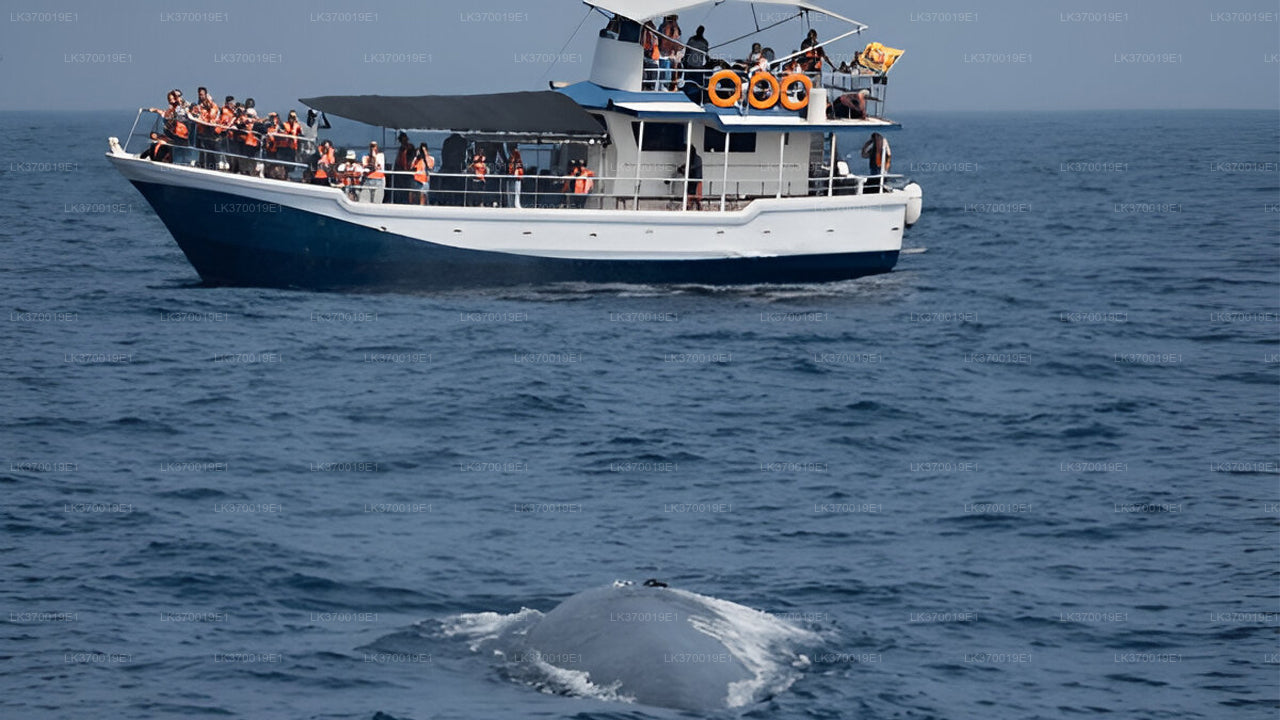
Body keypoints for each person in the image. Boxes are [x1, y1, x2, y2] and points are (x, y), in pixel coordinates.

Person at [658, 14, 682, 91]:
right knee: (667, 71)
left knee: (670, 70)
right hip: (666, 54)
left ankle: (669, 85)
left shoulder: (665, 26)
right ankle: (666, 85)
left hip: (669, 53)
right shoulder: (668, 27)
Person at [392, 132, 414, 203]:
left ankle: (407, 202)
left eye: (405, 140)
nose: (404, 142)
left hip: (407, 172)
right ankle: (400, 201)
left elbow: (412, 158)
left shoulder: (410, 147)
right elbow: (399, 161)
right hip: (401, 172)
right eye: (402, 140)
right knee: (400, 190)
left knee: (407, 190)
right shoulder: (401, 149)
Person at [641, 21, 661, 90]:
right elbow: (643, 44)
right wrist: (645, 32)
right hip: (646, 58)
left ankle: (651, 88)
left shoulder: (654, 36)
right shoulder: (644, 34)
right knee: (645, 76)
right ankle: (645, 87)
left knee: (652, 77)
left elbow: (655, 43)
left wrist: (651, 34)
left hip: (653, 60)